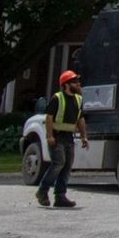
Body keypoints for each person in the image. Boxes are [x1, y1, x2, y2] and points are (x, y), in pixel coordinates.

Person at [36, 70, 90, 209]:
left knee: (66, 166)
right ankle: (42, 191)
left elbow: (80, 119)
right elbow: (49, 117)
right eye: (75, 82)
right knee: (58, 163)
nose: (78, 84)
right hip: (57, 136)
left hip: (69, 137)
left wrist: (84, 136)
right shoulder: (57, 98)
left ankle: (60, 196)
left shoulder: (78, 99)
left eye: (78, 82)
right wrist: (49, 136)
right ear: (66, 85)